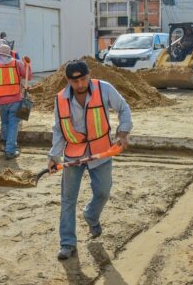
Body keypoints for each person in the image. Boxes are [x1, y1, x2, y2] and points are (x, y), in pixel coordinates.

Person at [47, 60, 132, 260]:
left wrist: (122, 133)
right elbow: (59, 130)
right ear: (68, 80)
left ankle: (91, 215)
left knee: (102, 192)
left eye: (83, 79)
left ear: (89, 75)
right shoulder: (60, 99)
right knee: (68, 200)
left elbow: (124, 108)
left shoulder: (104, 89)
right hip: (73, 154)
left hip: (101, 151)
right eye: (74, 81)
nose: (80, 85)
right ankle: (67, 243)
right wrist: (53, 156)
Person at [0, 44, 32, 159]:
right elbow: (29, 77)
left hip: (2, 101)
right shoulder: (17, 63)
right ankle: (10, 150)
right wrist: (28, 65)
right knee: (13, 125)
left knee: (5, 123)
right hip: (15, 100)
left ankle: (7, 145)